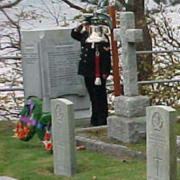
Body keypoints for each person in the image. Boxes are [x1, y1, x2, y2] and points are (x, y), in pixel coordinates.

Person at [71, 17, 111, 126]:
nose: (88, 28)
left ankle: (102, 119)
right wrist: (78, 28)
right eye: (87, 26)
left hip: (97, 71)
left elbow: (105, 56)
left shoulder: (101, 37)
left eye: (89, 26)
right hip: (87, 71)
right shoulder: (85, 36)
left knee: (100, 96)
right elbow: (74, 35)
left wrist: (105, 72)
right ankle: (95, 119)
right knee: (92, 97)